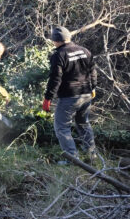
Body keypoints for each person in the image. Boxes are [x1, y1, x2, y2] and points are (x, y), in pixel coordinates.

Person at [41, 26, 97, 161]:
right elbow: (93, 72)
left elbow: (55, 78)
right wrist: (93, 88)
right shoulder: (85, 51)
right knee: (83, 123)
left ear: (55, 40)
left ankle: (72, 159)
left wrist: (48, 98)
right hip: (86, 94)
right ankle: (92, 154)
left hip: (69, 96)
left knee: (61, 127)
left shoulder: (59, 55)